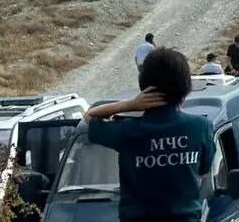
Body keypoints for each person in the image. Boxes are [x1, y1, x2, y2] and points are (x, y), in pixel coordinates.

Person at [84, 47, 215, 222]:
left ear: (145, 86)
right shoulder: (201, 127)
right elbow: (203, 173)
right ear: (184, 87)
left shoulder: (128, 131)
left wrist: (130, 105)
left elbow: (89, 116)